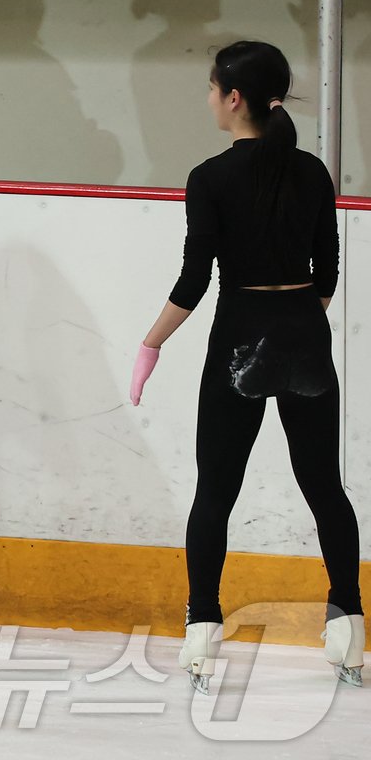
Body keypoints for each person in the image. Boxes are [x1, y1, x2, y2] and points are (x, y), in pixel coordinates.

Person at [130, 40, 364, 693]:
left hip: (239, 335)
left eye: (212, 88)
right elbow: (327, 271)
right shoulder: (312, 172)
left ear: (234, 98)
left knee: (216, 491)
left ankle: (203, 634)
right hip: (305, 332)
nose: (209, 99)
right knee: (324, 487)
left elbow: (194, 281)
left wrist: (150, 344)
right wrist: (295, 322)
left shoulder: (210, 178)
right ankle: (349, 629)